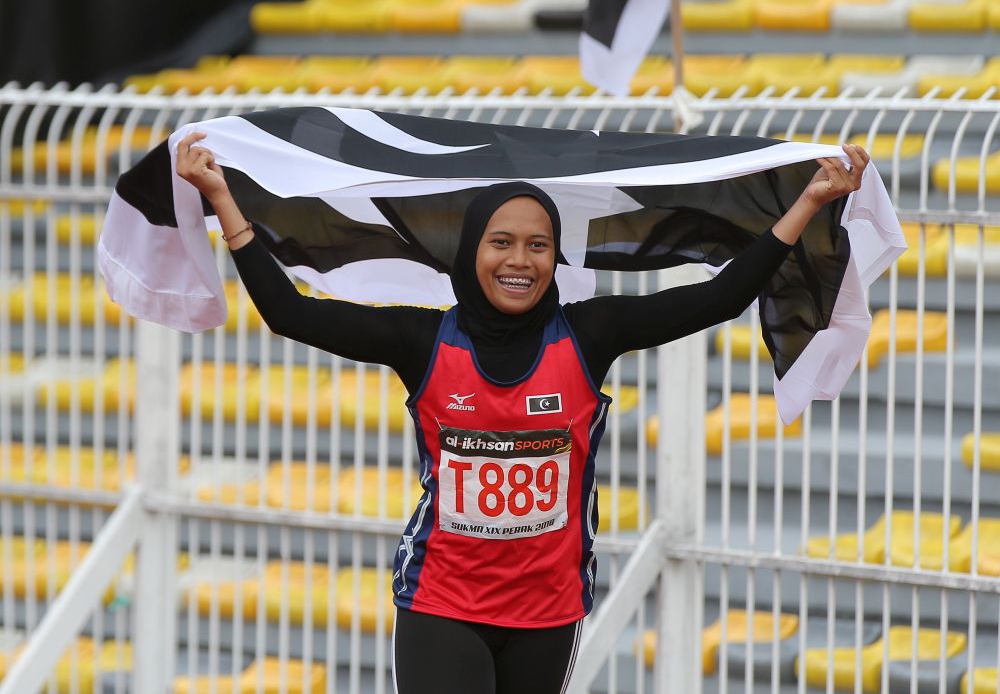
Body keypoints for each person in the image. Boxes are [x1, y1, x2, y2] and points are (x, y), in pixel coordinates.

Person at [176, 130, 869, 694]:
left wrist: (809, 200)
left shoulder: (589, 334)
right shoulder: (421, 340)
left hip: (547, 610)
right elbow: (290, 313)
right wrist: (222, 198)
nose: (520, 260)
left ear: (555, 259)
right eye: (500, 242)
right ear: (470, 251)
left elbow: (719, 298)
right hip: (442, 602)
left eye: (538, 245)